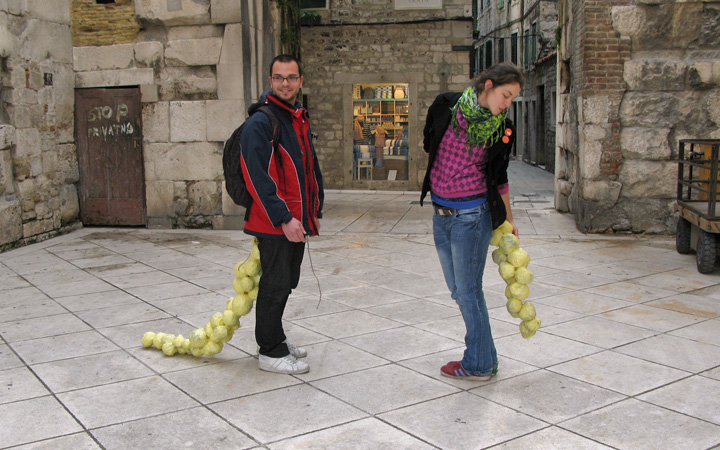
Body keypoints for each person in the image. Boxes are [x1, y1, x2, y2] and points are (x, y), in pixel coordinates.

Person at [420, 62, 524, 380]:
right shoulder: (445, 106)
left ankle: (477, 363)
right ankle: (485, 357)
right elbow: (429, 143)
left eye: (512, 99)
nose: (507, 104)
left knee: (467, 291)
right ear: (488, 85)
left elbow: (500, 177)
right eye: (506, 95)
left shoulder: (502, 129)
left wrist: (509, 219)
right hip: (441, 215)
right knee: (461, 291)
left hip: (472, 217)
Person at [239, 54, 324, 375]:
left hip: (296, 219)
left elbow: (309, 167)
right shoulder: (261, 122)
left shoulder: (296, 117)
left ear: (301, 81)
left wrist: (314, 209)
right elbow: (257, 177)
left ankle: (276, 337)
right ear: (270, 81)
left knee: (286, 282)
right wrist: (284, 218)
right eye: (279, 77)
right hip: (275, 222)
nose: (285, 83)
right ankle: (269, 350)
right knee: (274, 285)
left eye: (291, 77)